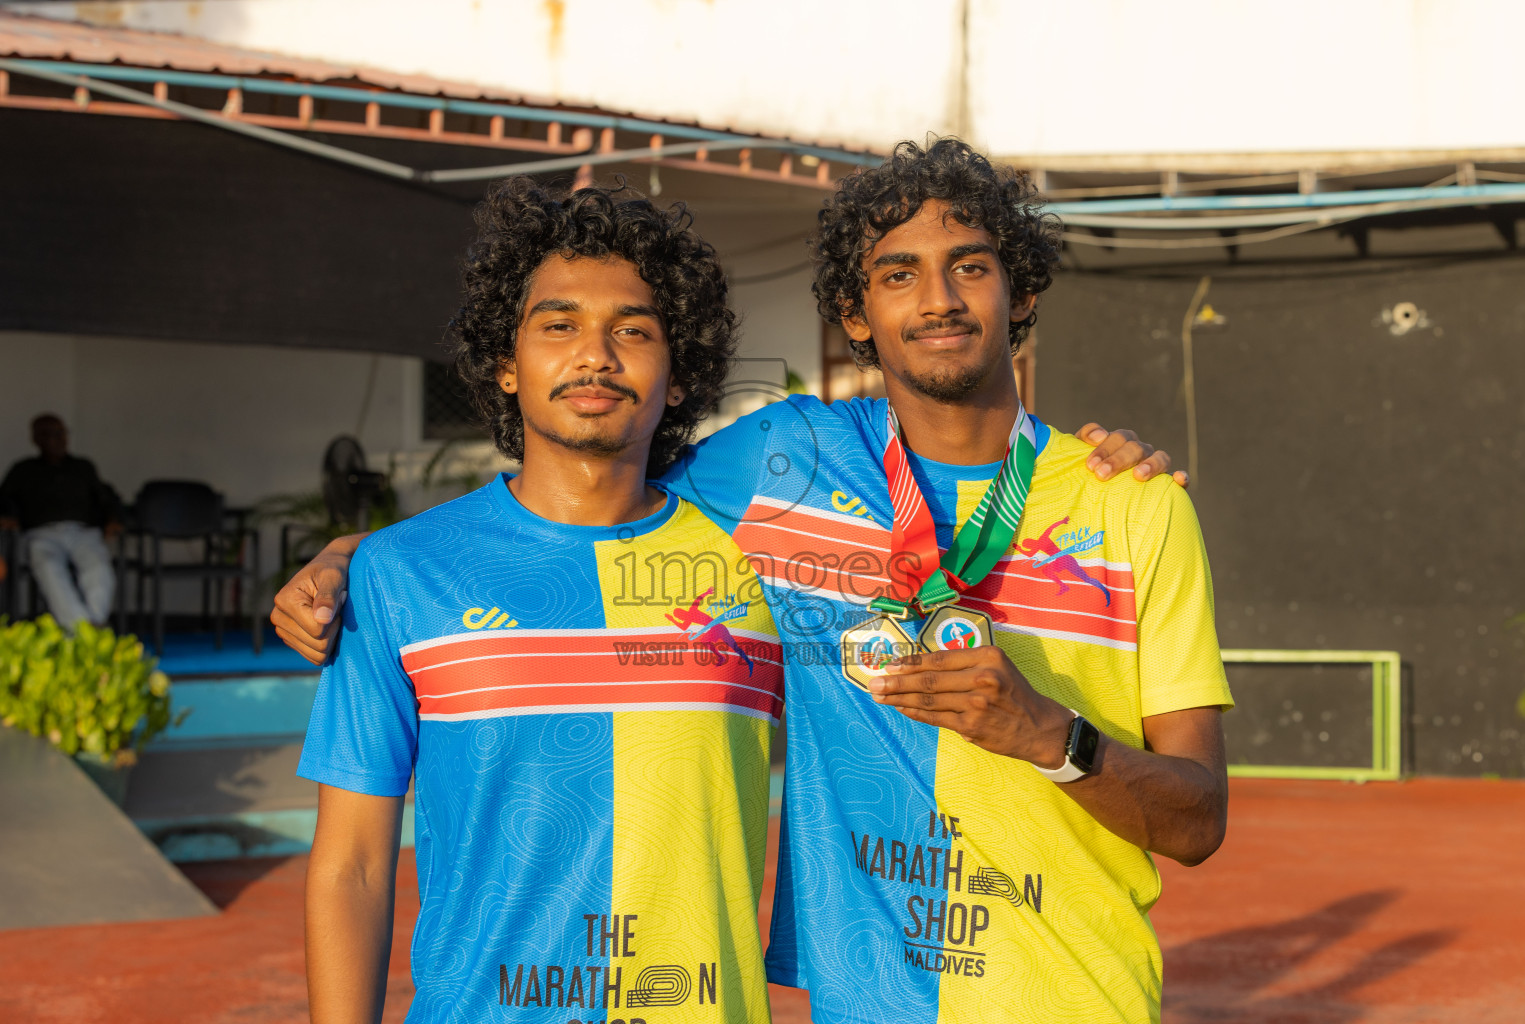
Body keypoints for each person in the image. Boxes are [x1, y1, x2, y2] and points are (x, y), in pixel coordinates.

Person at [275, 141, 1214, 1024]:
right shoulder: (783, 460)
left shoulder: (1132, 505)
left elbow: (1199, 817)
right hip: (863, 999)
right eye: (898, 274)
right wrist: (362, 555)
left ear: (1022, 291)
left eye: (969, 266)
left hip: (1078, 992)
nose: (937, 300)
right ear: (855, 318)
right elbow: (585, 498)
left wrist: (1045, 733)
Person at [0, 414, 122, 632]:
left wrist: (113, 520)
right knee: (48, 568)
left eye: (60, 433)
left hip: (83, 532)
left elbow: (106, 498)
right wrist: (7, 518)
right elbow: (3, 500)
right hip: (41, 534)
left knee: (98, 566)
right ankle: (83, 630)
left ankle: (93, 623)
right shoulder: (23, 470)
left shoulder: (83, 467)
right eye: (47, 434)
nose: (55, 439)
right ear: (36, 439)